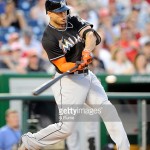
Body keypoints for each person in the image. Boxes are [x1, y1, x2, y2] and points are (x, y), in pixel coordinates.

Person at [19, 0, 130, 150]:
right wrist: (77, 64)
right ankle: (30, 141)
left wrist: (86, 52)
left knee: (108, 110)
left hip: (87, 76)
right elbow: (62, 65)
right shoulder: (48, 38)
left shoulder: (73, 19)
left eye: (64, 10)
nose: (63, 15)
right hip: (68, 81)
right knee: (66, 129)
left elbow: (90, 35)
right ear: (49, 13)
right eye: (59, 12)